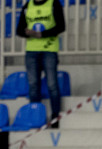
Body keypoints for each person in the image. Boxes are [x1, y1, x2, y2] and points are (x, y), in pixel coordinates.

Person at [16, 0, 65, 128]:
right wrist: (27, 32)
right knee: (33, 85)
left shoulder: (54, 4)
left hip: (49, 50)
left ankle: (55, 118)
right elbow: (19, 29)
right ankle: (35, 117)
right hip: (31, 51)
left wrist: (41, 34)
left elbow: (61, 26)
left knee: (52, 85)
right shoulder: (28, 5)